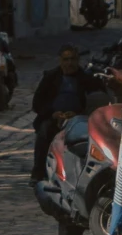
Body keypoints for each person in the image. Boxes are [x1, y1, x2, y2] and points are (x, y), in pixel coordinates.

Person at [31, 45, 100, 183]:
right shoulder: (50, 77)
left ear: (78, 60)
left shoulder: (86, 79)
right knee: (44, 132)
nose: (69, 63)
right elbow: (37, 103)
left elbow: (95, 101)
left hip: (78, 119)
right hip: (54, 118)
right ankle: (38, 173)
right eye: (66, 59)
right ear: (60, 61)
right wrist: (53, 113)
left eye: (72, 59)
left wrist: (77, 114)